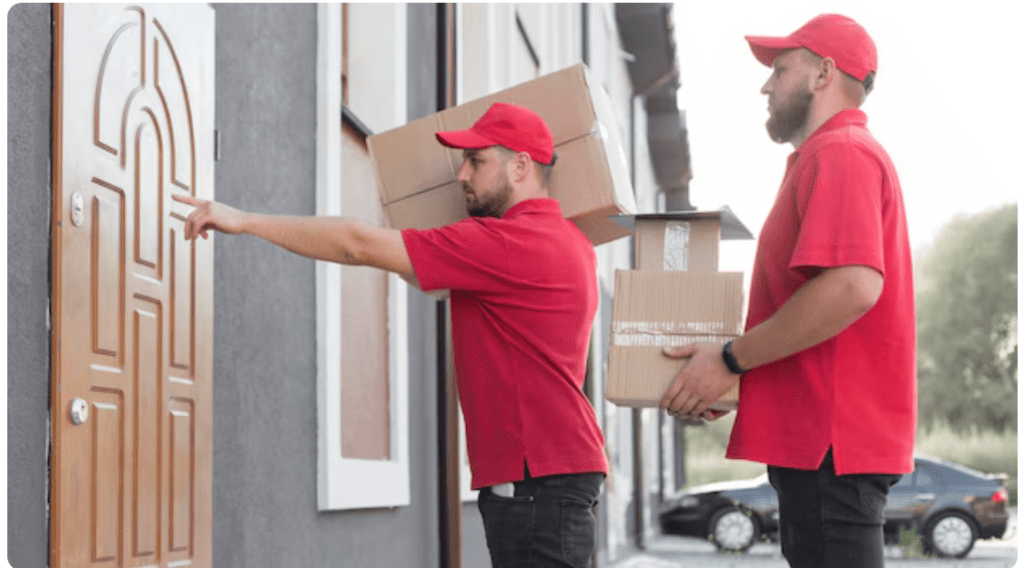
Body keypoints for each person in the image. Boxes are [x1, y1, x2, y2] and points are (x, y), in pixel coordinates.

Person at [174, 102, 608, 568]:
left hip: (535, 481)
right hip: (553, 473)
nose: (462, 174)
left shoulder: (505, 244)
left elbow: (357, 244)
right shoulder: (573, 243)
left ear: (520, 165)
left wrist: (246, 220)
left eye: (477, 161)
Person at [658, 14, 915, 568]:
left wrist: (730, 359)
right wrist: (731, 374)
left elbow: (852, 287)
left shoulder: (840, 152)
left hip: (829, 446)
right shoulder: (825, 157)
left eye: (779, 69)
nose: (766, 85)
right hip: (820, 446)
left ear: (823, 73)